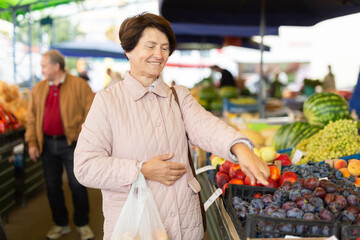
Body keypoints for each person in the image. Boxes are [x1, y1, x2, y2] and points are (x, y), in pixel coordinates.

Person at [74, 13, 269, 240]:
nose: (159, 55)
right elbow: (86, 167)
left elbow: (206, 127)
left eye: (165, 48)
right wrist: (140, 169)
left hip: (185, 225)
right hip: (136, 228)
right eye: (151, 46)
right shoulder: (107, 102)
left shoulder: (178, 96)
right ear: (129, 50)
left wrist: (239, 147)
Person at [25, 50, 95, 240]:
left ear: (56, 67)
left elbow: (92, 112)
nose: (41, 70)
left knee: (77, 185)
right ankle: (61, 224)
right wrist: (32, 142)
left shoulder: (79, 85)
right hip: (46, 145)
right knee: (53, 187)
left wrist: (81, 134)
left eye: (44, 66)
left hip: (72, 144)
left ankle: (83, 224)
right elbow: (31, 118)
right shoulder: (39, 89)